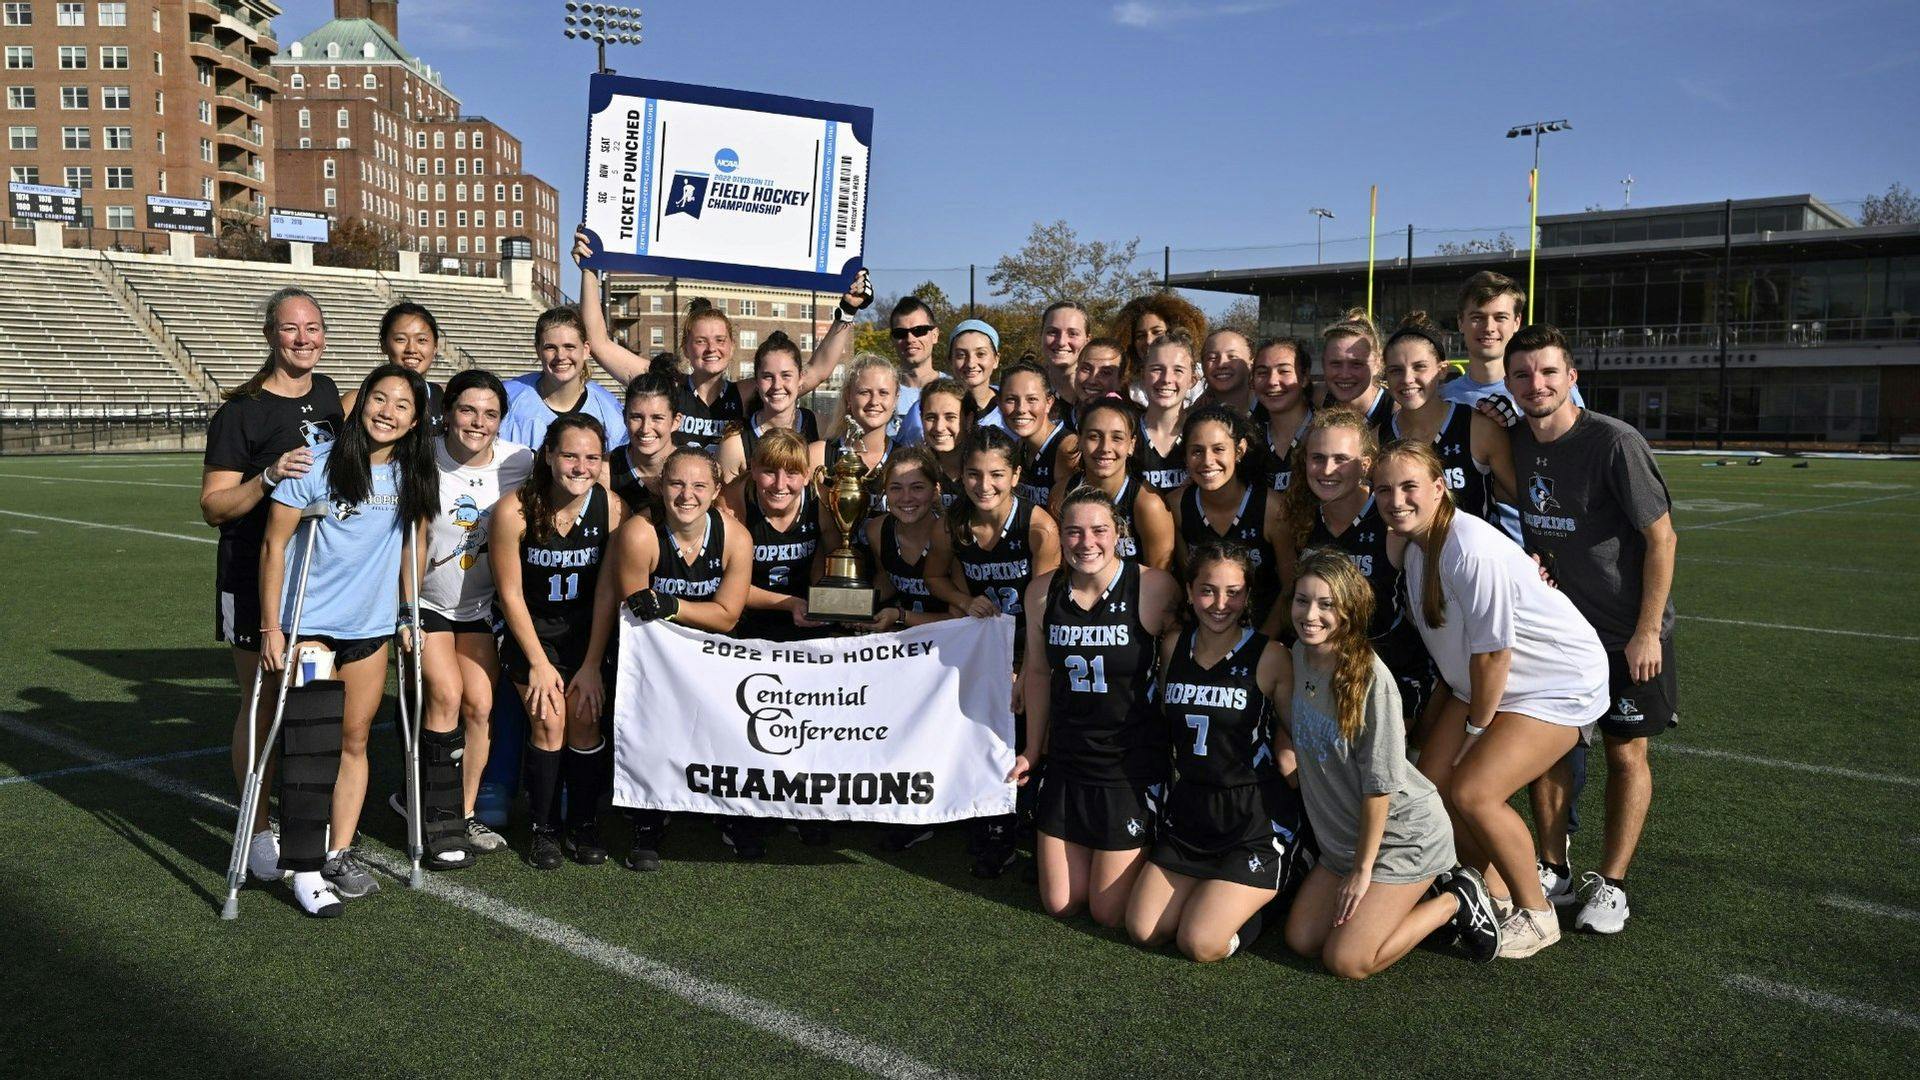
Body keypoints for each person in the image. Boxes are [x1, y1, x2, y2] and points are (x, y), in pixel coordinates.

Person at [1374, 439, 1609, 958]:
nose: (1396, 499)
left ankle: (1538, 913)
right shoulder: (1416, 546)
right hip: (1481, 682)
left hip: (1554, 682)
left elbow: (1494, 656)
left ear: (1440, 488)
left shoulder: (1468, 547)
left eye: (1410, 486)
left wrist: (1475, 736)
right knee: (1430, 787)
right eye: (1384, 489)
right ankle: (1494, 889)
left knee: (1475, 790)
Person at [1504, 325, 1677, 936]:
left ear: (1571, 376)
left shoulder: (1613, 442)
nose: (1536, 385)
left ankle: (1614, 883)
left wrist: (1647, 630)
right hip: (1558, 635)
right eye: (1522, 374)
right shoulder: (1513, 441)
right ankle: (1554, 867)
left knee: (1625, 750)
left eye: (1548, 372)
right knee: (1551, 749)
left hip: (1625, 633)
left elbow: (1661, 538)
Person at [257, 362, 439, 916]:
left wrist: (410, 615)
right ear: (362, 404)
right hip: (311, 627)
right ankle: (305, 867)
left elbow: (416, 549)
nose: (388, 412)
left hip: (370, 629)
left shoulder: (412, 476)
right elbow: (273, 546)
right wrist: (272, 626)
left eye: (402, 405)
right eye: (379, 399)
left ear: (414, 421)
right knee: (312, 744)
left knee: (355, 740)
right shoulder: (319, 462)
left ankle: (337, 850)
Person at [1281, 550, 1502, 975]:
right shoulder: (1297, 654)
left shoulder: (1369, 679)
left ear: (1349, 610)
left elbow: (1379, 786)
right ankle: (1401, 899)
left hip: (1401, 837)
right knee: (1302, 939)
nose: (1310, 615)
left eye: (1326, 604)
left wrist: (1363, 871)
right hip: (1342, 843)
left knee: (1347, 960)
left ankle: (1457, 897)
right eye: (1302, 600)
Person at [199, 286, 343, 885]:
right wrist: (267, 475)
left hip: (319, 576)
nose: (303, 339)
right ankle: (256, 827)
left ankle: (305, 819)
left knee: (309, 705)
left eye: (313, 328)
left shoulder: (332, 395)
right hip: (252, 573)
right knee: (260, 704)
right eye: (291, 329)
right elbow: (213, 506)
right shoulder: (241, 411)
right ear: (270, 335)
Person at [1125, 543, 1314, 962]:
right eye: (1208, 591)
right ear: (1190, 592)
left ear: (1248, 596)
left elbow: (1298, 731)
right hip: (1192, 809)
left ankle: (1284, 879)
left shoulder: (1271, 656)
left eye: (1233, 592)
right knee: (1144, 930)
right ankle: (1227, 895)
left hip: (1254, 817)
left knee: (1200, 943)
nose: (1220, 604)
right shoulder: (1174, 646)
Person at [1015, 487, 1182, 925]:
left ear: (1119, 534)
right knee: (1062, 904)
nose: (1086, 542)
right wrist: (1034, 750)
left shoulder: (1153, 587)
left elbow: (1174, 680)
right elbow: (1036, 673)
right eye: (1073, 531)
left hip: (1130, 765)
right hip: (1070, 760)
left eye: (1098, 530)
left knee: (1109, 912)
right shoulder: (1040, 593)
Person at [572, 234, 867, 453]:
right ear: (686, 348)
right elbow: (599, 344)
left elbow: (816, 371)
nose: (711, 349)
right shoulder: (667, 385)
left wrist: (848, 311)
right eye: (700, 341)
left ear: (732, 347)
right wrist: (590, 270)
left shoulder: (748, 392)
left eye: (719, 340)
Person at [490, 415, 627, 871]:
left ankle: (584, 823)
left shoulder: (611, 508)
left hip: (587, 638)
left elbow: (608, 592)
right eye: (570, 454)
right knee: (548, 722)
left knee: (585, 721)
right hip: (532, 636)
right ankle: (543, 828)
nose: (580, 466)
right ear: (548, 455)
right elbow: (509, 593)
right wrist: (537, 662)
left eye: (592, 457)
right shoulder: (515, 509)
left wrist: (591, 664)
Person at [608, 448, 753, 865]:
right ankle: (649, 818)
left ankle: (729, 814)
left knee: (728, 726)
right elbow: (637, 610)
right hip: (653, 652)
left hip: (711, 652)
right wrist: (667, 611)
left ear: (716, 491)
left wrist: (673, 606)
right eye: (676, 484)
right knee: (652, 724)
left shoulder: (735, 537)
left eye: (699, 486)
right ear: (659, 486)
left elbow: (727, 616)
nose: (687, 495)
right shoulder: (641, 533)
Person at [415, 369, 534, 864]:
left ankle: (460, 813)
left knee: (481, 705)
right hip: (427, 602)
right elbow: (411, 539)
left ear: (502, 419)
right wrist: (403, 611)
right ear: (448, 413)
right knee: (446, 693)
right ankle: (435, 816)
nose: (477, 422)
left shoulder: (519, 462)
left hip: (480, 608)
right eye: (467, 410)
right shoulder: (422, 458)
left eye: (489, 413)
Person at [941, 424, 1061, 878]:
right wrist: (962, 598)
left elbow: (1043, 612)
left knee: (1028, 732)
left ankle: (1017, 823)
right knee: (980, 731)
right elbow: (937, 577)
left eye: (995, 474)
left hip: (1033, 646)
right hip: (982, 651)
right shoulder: (955, 521)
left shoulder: (1037, 527)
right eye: (973, 474)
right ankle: (989, 819)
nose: (983, 485)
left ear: (1015, 475)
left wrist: (1026, 672)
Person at [1287, 407, 1432, 724]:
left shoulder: (1391, 519)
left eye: (1341, 459)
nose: (1327, 469)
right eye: (1318, 457)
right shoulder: (1302, 518)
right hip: (1324, 674)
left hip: (1391, 673)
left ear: (1366, 464)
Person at [1442, 271, 1583, 543]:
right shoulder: (1443, 398)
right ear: (1460, 322)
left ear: (1517, 321)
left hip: (1536, 546)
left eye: (1500, 317)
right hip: (1464, 548)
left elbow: (1574, 473)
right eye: (1477, 317)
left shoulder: (1556, 391)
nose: (1488, 327)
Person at [1380, 312, 1518, 527]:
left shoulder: (1478, 427)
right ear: (1386, 376)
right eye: (1396, 370)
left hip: (1470, 558)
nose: (1407, 379)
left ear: (1442, 370)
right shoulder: (1378, 438)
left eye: (1420, 367)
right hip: (1408, 559)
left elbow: (1523, 500)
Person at [1169, 405, 1291, 637]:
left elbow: (1290, 587)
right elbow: (1187, 584)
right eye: (1196, 451)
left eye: (1218, 449)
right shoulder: (1176, 506)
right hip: (1203, 635)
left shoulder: (1271, 508)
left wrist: (1261, 644)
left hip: (1264, 633)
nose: (1207, 461)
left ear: (1239, 450)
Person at [1049, 396, 1174, 570]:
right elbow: (1059, 567)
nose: (1105, 447)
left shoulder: (1148, 504)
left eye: (1117, 438)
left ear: (1131, 444)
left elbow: (1160, 578)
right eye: (1094, 436)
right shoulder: (1062, 493)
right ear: (1080, 440)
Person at [724, 427, 825, 644]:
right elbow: (727, 586)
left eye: (791, 473)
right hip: (747, 617)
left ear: (807, 475)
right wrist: (789, 603)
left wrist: (822, 602)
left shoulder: (822, 500)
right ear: (752, 469)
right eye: (769, 471)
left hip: (807, 614)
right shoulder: (733, 502)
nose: (780, 485)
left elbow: (830, 560)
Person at [498, 305, 628, 452]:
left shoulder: (609, 410)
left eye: (569, 346)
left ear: (585, 350)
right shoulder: (506, 397)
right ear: (538, 350)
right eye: (550, 348)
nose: (560, 356)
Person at [807, 353, 901, 553]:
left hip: (887, 576)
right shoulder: (818, 455)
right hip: (831, 572)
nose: (874, 401)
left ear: (895, 399)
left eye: (883, 393)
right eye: (864, 392)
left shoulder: (905, 459)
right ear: (848, 397)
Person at [863, 445, 957, 634]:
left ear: (936, 491)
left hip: (948, 644)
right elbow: (888, 580)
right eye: (896, 488)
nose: (906, 498)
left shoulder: (952, 535)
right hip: (905, 644)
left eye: (917, 488)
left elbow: (959, 617)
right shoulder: (876, 530)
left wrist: (901, 616)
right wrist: (854, 611)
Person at [716, 331, 823, 483]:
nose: (777, 385)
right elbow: (724, 504)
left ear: (800, 378)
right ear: (757, 382)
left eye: (786, 375)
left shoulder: (818, 424)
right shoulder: (736, 442)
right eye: (767, 377)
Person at [341, 302, 445, 428]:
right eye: (400, 339)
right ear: (383, 345)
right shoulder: (354, 402)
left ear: (435, 346)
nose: (411, 349)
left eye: (421, 340)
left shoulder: (446, 401)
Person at [999, 360, 1078, 507]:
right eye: (1011, 399)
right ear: (999, 403)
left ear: (1049, 403)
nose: (1021, 409)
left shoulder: (1067, 449)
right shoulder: (1017, 446)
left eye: (1032, 399)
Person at [1110, 292, 1207, 406]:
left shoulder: (1205, 384)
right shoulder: (1125, 390)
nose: (1149, 341)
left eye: (1157, 332)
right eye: (1140, 336)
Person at [607, 371, 680, 519]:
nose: (645, 429)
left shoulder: (698, 468)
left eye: (657, 418)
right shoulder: (605, 469)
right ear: (624, 418)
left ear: (676, 422)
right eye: (636, 417)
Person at [1246, 337, 1314, 493]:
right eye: (1262, 372)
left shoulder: (1328, 432)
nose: (1272, 381)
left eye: (1284, 371)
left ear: (1304, 378)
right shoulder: (1248, 440)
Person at [1134, 333, 1196, 490]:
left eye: (1178, 370)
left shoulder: (1202, 432)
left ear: (1192, 379)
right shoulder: (1126, 433)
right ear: (1143, 375)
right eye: (1157, 369)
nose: (1166, 379)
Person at [1319, 309, 1392, 428]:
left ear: (1378, 364)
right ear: (1323, 364)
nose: (1345, 374)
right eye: (1336, 363)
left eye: (1356, 364)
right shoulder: (1316, 400)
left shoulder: (1396, 414)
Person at [885, 295, 941, 445]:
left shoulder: (955, 391)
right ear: (892, 339)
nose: (910, 339)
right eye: (900, 333)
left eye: (919, 330)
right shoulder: (880, 393)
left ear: (935, 335)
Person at [915, 377, 971, 510]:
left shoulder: (986, 467)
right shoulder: (913, 469)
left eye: (950, 417)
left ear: (969, 420)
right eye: (931, 417)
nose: (939, 427)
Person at [948, 318, 1004, 426]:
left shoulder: (1012, 407)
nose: (970, 364)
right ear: (950, 360)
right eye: (961, 355)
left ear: (996, 359)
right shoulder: (928, 407)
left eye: (981, 354)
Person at [1038, 300, 1093, 410]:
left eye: (1073, 333)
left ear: (1087, 340)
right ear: (1041, 335)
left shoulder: (1103, 393)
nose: (1061, 342)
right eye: (1052, 332)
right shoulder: (1024, 390)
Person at [1197, 328, 1256, 414]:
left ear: (1251, 364)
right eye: (1212, 358)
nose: (1221, 364)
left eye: (1232, 356)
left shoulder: (1272, 413)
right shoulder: (1191, 420)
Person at [1070, 336, 1128, 404]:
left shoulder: (1128, 414)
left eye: (1105, 372)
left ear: (1120, 381)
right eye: (1086, 369)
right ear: (1076, 370)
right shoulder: (1058, 410)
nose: (1092, 381)